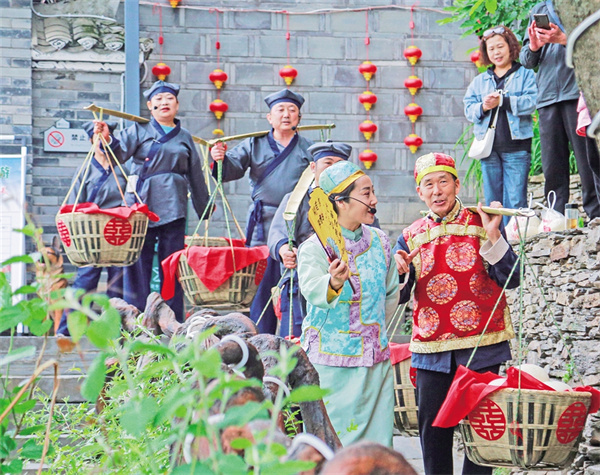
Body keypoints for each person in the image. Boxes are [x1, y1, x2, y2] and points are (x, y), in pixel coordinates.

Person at [393, 153, 520, 474]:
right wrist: (399, 273)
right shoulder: (409, 236)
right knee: (433, 433)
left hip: (482, 346)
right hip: (431, 351)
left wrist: (494, 235)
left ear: (457, 184)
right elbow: (400, 295)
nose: (437, 191)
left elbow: (512, 279)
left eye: (443, 182)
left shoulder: (483, 222)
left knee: (482, 433)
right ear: (419, 192)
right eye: (428, 185)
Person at [297, 160, 399, 447]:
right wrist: (333, 283)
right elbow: (312, 291)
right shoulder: (315, 248)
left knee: (376, 450)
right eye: (366, 194)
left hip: (375, 367)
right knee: (333, 449)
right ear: (341, 202)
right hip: (331, 367)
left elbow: (390, 294)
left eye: (373, 191)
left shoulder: (380, 242)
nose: (374, 200)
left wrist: (373, 333)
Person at [94, 80, 210, 321]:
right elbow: (117, 152)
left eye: (169, 99)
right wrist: (107, 139)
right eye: (158, 99)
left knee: (172, 263)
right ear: (150, 105)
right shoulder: (139, 130)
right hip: (141, 203)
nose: (164, 102)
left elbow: (195, 174)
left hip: (174, 204)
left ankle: (172, 318)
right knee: (137, 260)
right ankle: (136, 316)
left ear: (177, 105)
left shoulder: (185, 137)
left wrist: (204, 206)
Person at [210, 89, 313, 333]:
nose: (286, 115)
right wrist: (219, 157)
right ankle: (258, 337)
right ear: (269, 117)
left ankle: (292, 337)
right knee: (260, 284)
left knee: (294, 280)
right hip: (263, 222)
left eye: (292, 110)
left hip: (296, 222)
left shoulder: (308, 149)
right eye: (281, 110)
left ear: (299, 117)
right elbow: (231, 168)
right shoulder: (253, 144)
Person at [520, 1, 600, 219]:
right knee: (552, 163)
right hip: (546, 97)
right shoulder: (539, 9)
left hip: (577, 93)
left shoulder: (582, 5)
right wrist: (534, 46)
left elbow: (593, 46)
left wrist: (563, 39)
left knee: (586, 160)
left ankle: (595, 214)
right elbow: (526, 60)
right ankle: (555, 215)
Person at [267, 140, 352, 338]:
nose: (333, 169)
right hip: (301, 280)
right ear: (313, 167)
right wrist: (284, 250)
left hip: (343, 284)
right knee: (295, 344)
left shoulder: (354, 200)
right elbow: (279, 232)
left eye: (339, 165)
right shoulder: (295, 198)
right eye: (327, 163)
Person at [57, 121, 127, 336]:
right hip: (90, 235)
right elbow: (73, 204)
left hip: (116, 233)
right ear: (91, 141)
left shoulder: (122, 169)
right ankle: (66, 331)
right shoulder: (85, 169)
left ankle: (118, 332)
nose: (101, 142)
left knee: (117, 284)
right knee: (84, 281)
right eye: (97, 138)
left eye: (105, 137)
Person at [464, 25, 537, 223]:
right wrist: (484, 106)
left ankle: (514, 240)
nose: (496, 52)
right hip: (488, 150)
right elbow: (468, 109)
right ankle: (497, 240)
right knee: (493, 203)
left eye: (500, 47)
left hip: (517, 147)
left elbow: (532, 102)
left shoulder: (526, 74)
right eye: (491, 49)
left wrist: (503, 101)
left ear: (510, 46)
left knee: (515, 202)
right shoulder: (480, 81)